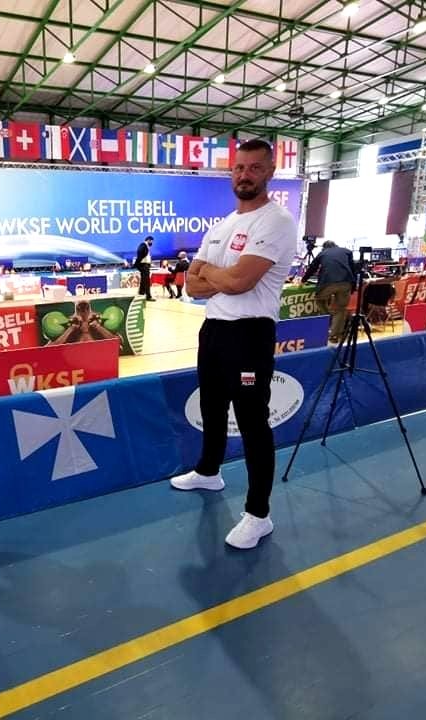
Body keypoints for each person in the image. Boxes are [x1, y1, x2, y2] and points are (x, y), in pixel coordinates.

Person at [169, 138, 297, 550]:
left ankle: (259, 514)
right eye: (240, 168)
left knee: (252, 421)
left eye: (255, 168)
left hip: (250, 332)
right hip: (214, 329)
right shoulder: (222, 225)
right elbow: (191, 285)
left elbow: (241, 281)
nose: (245, 175)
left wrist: (212, 273)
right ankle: (209, 471)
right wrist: (217, 277)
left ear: (270, 172)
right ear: (232, 172)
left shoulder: (275, 221)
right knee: (211, 407)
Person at [299, 240, 356, 344]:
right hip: (346, 283)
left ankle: (327, 318)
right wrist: (353, 286)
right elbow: (353, 269)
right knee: (340, 309)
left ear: (324, 247)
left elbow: (313, 268)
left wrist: (303, 280)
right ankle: (334, 336)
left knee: (319, 300)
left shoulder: (322, 253)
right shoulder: (347, 251)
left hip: (327, 283)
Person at [134, 235, 155, 301]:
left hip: (145, 265)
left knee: (143, 281)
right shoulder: (143, 245)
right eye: (151, 241)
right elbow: (140, 255)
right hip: (144, 265)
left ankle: (141, 293)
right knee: (147, 281)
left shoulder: (146, 246)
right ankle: (148, 296)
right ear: (148, 240)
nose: (152, 243)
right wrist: (137, 264)